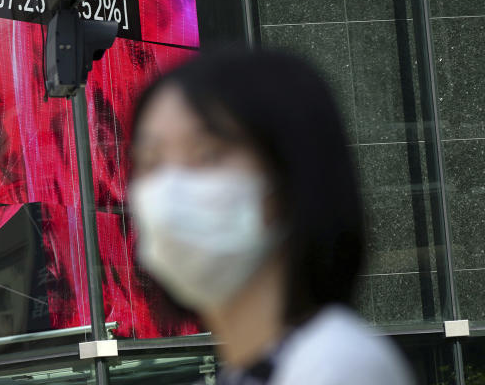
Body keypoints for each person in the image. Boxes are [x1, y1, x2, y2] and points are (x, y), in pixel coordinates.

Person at [128, 48, 413, 385]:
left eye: (207, 155)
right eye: (150, 161)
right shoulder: (251, 372)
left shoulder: (338, 364)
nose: (170, 189)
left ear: (290, 175)